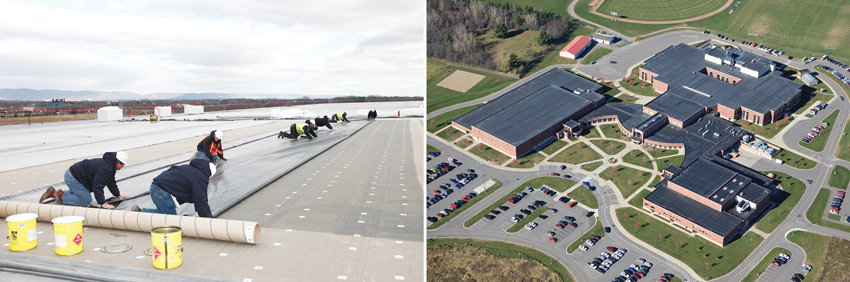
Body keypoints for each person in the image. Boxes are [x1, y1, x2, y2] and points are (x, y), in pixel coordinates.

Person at [40, 152, 129, 209]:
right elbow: (98, 185)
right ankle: (61, 197)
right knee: (86, 200)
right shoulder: (106, 169)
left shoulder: (109, 166)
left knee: (82, 194)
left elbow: (111, 182)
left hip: (76, 176)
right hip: (73, 177)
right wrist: (102, 203)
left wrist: (118, 195)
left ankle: (53, 193)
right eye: (123, 165)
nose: (123, 167)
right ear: (118, 163)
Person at [131, 159, 215, 218]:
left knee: (164, 214)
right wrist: (207, 219)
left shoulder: (189, 168)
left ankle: (139, 212)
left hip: (155, 188)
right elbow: (201, 200)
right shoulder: (200, 177)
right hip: (162, 191)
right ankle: (140, 213)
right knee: (170, 219)